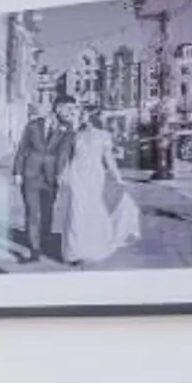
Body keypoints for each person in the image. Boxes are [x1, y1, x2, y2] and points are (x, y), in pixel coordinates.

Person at [56, 100, 143, 264]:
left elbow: (109, 160)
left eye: (84, 114)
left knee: (92, 210)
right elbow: (68, 157)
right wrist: (62, 175)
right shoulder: (76, 135)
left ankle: (90, 244)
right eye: (81, 114)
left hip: (95, 177)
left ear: (93, 117)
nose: (81, 117)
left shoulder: (104, 136)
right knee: (76, 211)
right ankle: (74, 252)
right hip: (76, 175)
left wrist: (118, 178)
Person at [13, 97, 70, 264]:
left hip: (51, 176)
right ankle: (34, 251)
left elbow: (65, 153)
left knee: (47, 212)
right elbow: (22, 148)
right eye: (68, 108)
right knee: (32, 212)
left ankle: (43, 240)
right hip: (30, 172)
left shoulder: (67, 128)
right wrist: (17, 172)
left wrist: (61, 174)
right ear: (58, 107)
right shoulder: (33, 125)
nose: (70, 112)